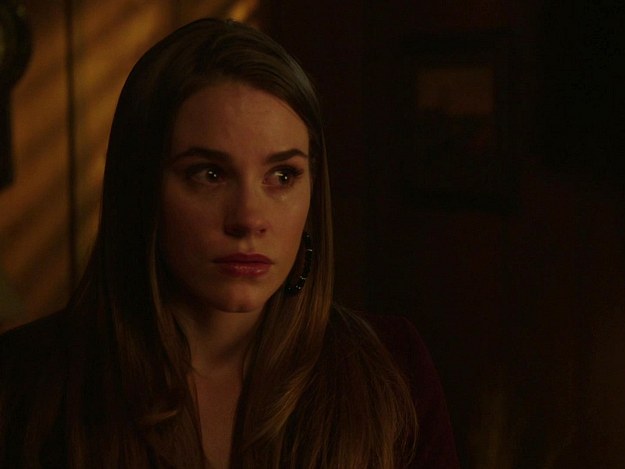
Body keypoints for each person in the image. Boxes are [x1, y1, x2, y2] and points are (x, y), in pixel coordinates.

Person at [0, 18, 459, 469]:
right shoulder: (25, 382)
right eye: (210, 174)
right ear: (141, 188)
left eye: (283, 176)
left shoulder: (392, 370)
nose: (249, 220)